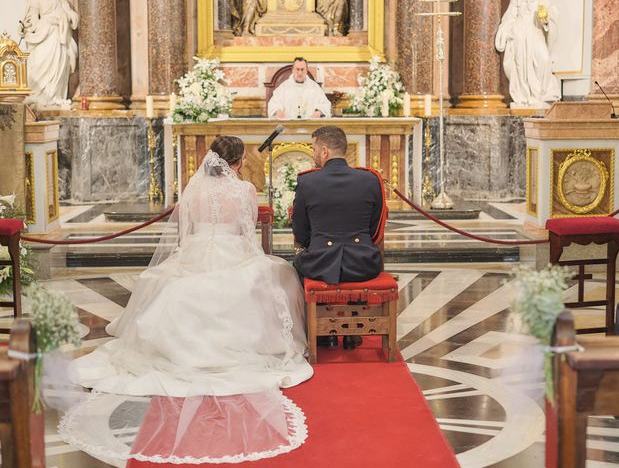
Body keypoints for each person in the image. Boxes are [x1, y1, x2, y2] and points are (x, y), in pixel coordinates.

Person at [60, 136, 313, 464]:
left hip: (193, 253)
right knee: (281, 275)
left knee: (171, 285)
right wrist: (258, 260)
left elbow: (183, 234)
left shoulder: (193, 189)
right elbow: (248, 234)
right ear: (236, 163)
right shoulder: (245, 190)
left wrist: (188, 255)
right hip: (234, 252)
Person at [292, 125, 386, 350]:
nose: (313, 153)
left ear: (324, 152)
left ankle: (323, 332)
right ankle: (354, 328)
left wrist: (311, 245)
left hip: (320, 263)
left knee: (295, 266)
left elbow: (301, 231)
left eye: (314, 148)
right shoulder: (371, 180)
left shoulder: (307, 182)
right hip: (364, 263)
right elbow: (375, 228)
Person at [495, 0, 560, 107]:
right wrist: (507, 31)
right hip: (520, 34)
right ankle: (523, 96)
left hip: (535, 31)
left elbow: (551, 14)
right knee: (521, 65)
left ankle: (542, 94)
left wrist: (545, 18)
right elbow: (509, 17)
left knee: (544, 58)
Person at [21, 0, 78, 109]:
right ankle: (39, 96)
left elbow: (68, 11)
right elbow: (32, 18)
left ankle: (54, 97)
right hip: (43, 34)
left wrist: (72, 15)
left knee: (57, 65)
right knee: (40, 63)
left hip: (58, 35)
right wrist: (27, 27)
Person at [268, 57, 332, 119]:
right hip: (288, 127)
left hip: (310, 127)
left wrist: (319, 111)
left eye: (302, 69)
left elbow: (325, 104)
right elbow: (273, 104)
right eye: (297, 69)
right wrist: (278, 111)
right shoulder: (283, 88)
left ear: (306, 70)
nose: (300, 73)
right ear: (292, 70)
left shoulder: (314, 88)